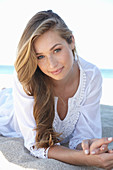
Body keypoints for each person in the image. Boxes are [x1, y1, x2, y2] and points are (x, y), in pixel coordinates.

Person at [0, 10, 113, 169]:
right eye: (40, 56)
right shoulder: (26, 79)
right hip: (8, 111)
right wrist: (85, 159)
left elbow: (84, 135)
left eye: (56, 50)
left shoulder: (91, 76)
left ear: (71, 41)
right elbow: (36, 145)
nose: (52, 64)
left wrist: (89, 148)